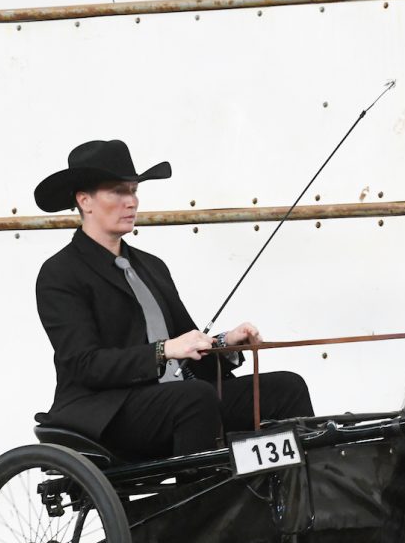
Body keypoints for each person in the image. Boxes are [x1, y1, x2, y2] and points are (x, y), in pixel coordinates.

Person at [33, 139, 313, 459]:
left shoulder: (151, 267)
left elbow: (188, 345)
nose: (131, 201)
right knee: (195, 398)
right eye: (118, 191)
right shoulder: (60, 273)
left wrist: (226, 343)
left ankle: (302, 498)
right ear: (85, 201)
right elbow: (85, 365)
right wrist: (163, 351)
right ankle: (205, 509)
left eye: (134, 190)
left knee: (286, 389)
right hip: (105, 411)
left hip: (174, 398)